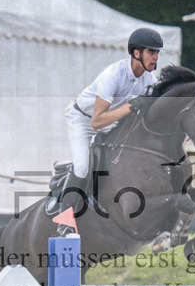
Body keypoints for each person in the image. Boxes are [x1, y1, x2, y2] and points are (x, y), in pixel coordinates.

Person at [58, 28, 162, 219]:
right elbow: (96, 122)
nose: (155, 57)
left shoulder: (150, 80)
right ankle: (63, 218)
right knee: (82, 167)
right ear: (136, 53)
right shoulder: (113, 75)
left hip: (113, 122)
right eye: (151, 52)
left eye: (157, 52)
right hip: (83, 120)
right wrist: (130, 107)